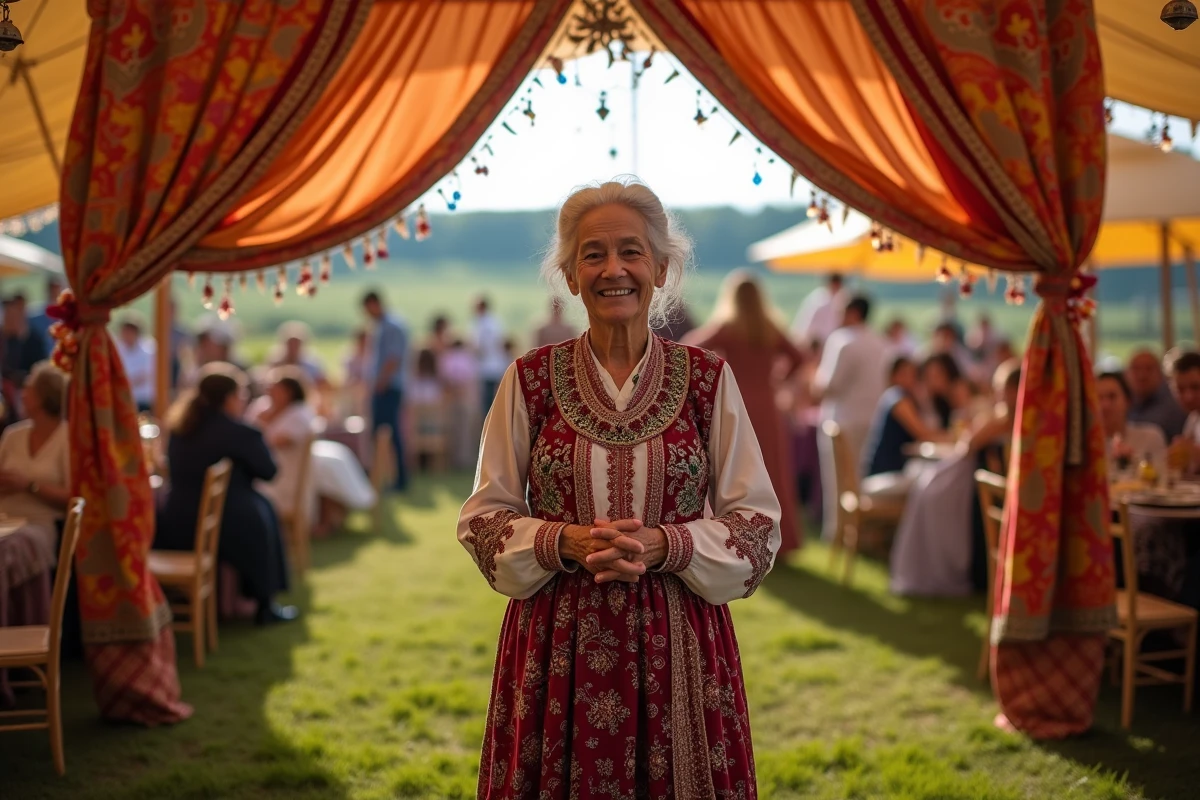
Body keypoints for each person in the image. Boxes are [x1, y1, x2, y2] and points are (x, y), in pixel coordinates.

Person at [458, 179, 781, 798]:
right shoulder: (529, 381)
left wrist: (668, 546)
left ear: (660, 269)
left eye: (631, 252)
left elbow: (757, 526)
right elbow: (484, 519)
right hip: (556, 644)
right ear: (570, 275)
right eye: (593, 253)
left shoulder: (707, 380)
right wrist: (564, 542)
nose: (614, 270)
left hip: (681, 640)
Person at [157, 364, 296, 625]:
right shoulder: (241, 432)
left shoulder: (180, 427)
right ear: (230, 398)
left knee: (258, 506)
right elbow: (268, 471)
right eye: (241, 395)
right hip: (219, 522)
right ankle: (264, 603)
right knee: (262, 510)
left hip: (176, 520)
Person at [686, 269, 804, 555]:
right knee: (772, 473)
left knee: (737, 473)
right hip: (767, 407)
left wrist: (710, 382)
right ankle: (782, 541)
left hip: (737, 407)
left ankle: (738, 541)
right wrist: (779, 380)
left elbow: (690, 347)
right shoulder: (770, 327)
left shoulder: (727, 327)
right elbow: (800, 357)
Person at [889, 359, 1022, 597]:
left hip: (976, 488)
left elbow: (968, 445)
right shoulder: (1004, 418)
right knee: (925, 490)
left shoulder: (1001, 419)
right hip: (976, 485)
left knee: (927, 492)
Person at [247, 368, 376, 536]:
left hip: (280, 476)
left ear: (289, 392)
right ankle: (329, 517)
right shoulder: (263, 407)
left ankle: (329, 518)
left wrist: (264, 421)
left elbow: (275, 441)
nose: (270, 392)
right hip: (276, 469)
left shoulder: (298, 414)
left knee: (325, 473)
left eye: (276, 389)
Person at [812, 294, 886, 541]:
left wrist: (812, 382)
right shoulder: (880, 342)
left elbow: (830, 385)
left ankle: (837, 533)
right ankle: (861, 533)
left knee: (837, 479)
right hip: (871, 418)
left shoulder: (842, 340)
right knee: (861, 477)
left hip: (841, 420)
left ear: (853, 312)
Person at [861, 355, 950, 481]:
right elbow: (923, 433)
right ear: (893, 376)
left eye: (913, 374)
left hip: (894, 469)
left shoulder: (904, 398)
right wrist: (954, 437)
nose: (910, 379)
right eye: (904, 374)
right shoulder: (897, 398)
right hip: (885, 473)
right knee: (931, 480)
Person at [362, 290, 409, 492]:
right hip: (384, 386)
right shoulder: (383, 325)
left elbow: (393, 358)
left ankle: (398, 480)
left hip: (388, 387)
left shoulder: (392, 326)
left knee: (388, 434)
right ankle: (382, 476)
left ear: (374, 304)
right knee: (382, 434)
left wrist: (380, 383)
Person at [1096, 371, 1166, 476]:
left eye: (1112, 397)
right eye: (1099, 398)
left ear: (1127, 401)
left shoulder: (1151, 437)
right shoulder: (1086, 444)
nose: (1105, 405)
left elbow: (1161, 477)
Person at [1128, 349, 1188, 441]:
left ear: (1160, 373)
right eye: (1136, 369)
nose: (1142, 375)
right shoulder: (1125, 403)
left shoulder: (1174, 405)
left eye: (1149, 369)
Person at [440, 338, 480, 470]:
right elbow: (469, 378)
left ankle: (454, 459)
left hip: (451, 398)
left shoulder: (447, 358)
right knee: (465, 431)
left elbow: (445, 378)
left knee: (454, 430)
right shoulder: (466, 358)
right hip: (464, 398)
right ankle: (464, 459)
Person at [791, 271, 847, 351]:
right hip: (814, 345)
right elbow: (807, 328)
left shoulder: (838, 300)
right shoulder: (819, 300)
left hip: (826, 345)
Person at [1, 294, 48, 387]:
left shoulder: (35, 340)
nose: (7, 320)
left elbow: (41, 370)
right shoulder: (5, 340)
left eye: (11, 316)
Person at [115, 314, 156, 413]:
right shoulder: (117, 349)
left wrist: (122, 382)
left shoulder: (148, 349)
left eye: (129, 332)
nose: (126, 335)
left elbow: (145, 375)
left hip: (143, 401)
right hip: (122, 401)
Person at [268, 321, 328, 389]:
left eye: (296, 343)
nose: (293, 347)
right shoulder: (275, 363)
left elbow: (323, 385)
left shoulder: (313, 366)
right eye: (290, 343)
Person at [473, 296, 508, 412]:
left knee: (487, 400)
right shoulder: (495, 322)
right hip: (497, 364)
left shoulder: (482, 324)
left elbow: (480, 346)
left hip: (486, 366)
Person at [26, 277, 63, 356]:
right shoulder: (36, 317)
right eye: (52, 290)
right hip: (42, 356)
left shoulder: (66, 316)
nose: (55, 293)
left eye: (57, 290)